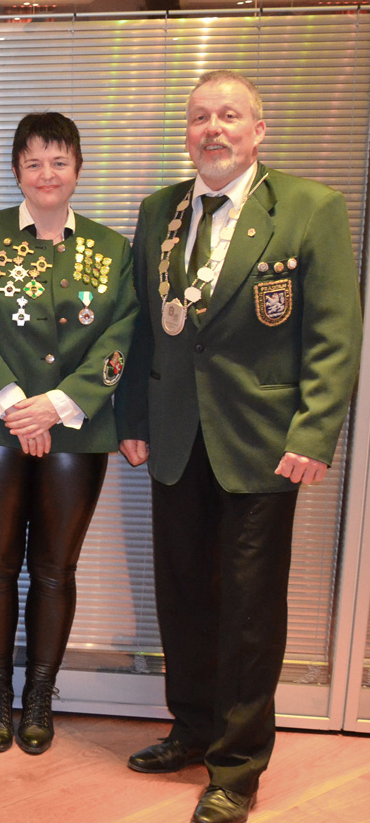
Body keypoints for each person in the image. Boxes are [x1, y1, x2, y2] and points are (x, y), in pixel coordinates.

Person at [116, 71, 361, 823]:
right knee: (183, 594)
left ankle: (239, 764)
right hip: (176, 439)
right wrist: (133, 417)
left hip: (262, 444)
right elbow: (138, 323)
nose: (212, 129)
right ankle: (190, 729)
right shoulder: (161, 209)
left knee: (251, 610)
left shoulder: (309, 208)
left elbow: (333, 333)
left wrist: (316, 432)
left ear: (259, 130)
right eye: (199, 118)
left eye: (229, 116)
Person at [0, 112, 138, 755]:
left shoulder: (113, 248)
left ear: (78, 169)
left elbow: (121, 338)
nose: (46, 173)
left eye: (59, 161)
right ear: (16, 172)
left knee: (56, 569)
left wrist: (58, 405)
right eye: (33, 162)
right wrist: (13, 405)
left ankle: (39, 698)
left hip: (77, 430)